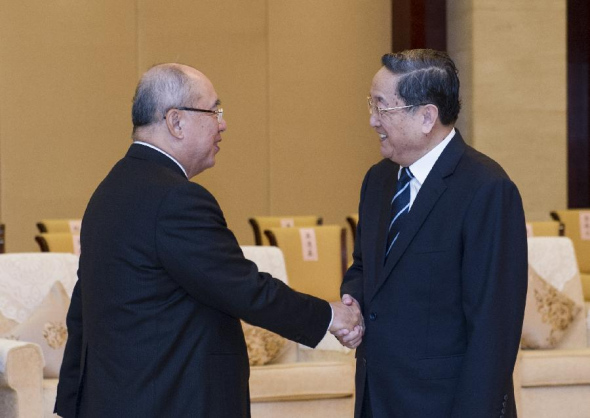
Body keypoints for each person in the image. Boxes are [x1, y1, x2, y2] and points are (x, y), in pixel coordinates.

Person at [54, 63, 362, 418]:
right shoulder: (176, 199)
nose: (223, 123)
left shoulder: (109, 191)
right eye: (214, 110)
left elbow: (84, 307)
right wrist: (330, 316)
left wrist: (72, 404)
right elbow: (243, 288)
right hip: (172, 401)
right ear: (176, 122)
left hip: (120, 399)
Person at [338, 49, 528, 417]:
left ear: (427, 116)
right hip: (377, 398)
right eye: (371, 104)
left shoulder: (486, 189)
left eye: (382, 107)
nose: (372, 120)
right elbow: (364, 267)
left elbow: (494, 328)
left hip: (445, 405)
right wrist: (354, 302)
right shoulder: (377, 180)